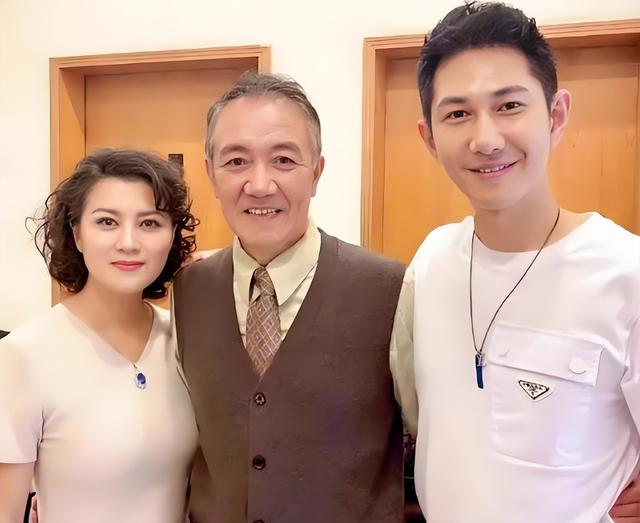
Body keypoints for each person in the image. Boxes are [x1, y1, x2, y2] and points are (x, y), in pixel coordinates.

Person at [390, 2, 640, 521]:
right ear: (429, 138)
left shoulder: (625, 272)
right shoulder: (431, 262)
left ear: (556, 115)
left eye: (508, 106)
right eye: (457, 114)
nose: (485, 139)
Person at [172, 72, 406, 523]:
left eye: (283, 160)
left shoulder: (389, 289)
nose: (260, 184)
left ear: (316, 172)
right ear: (212, 174)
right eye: (236, 161)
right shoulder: (188, 290)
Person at [0, 149, 199, 523]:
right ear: (77, 233)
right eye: (107, 222)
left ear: (172, 235)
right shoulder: (23, 355)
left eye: (150, 223)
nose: (129, 242)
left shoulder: (186, 340)